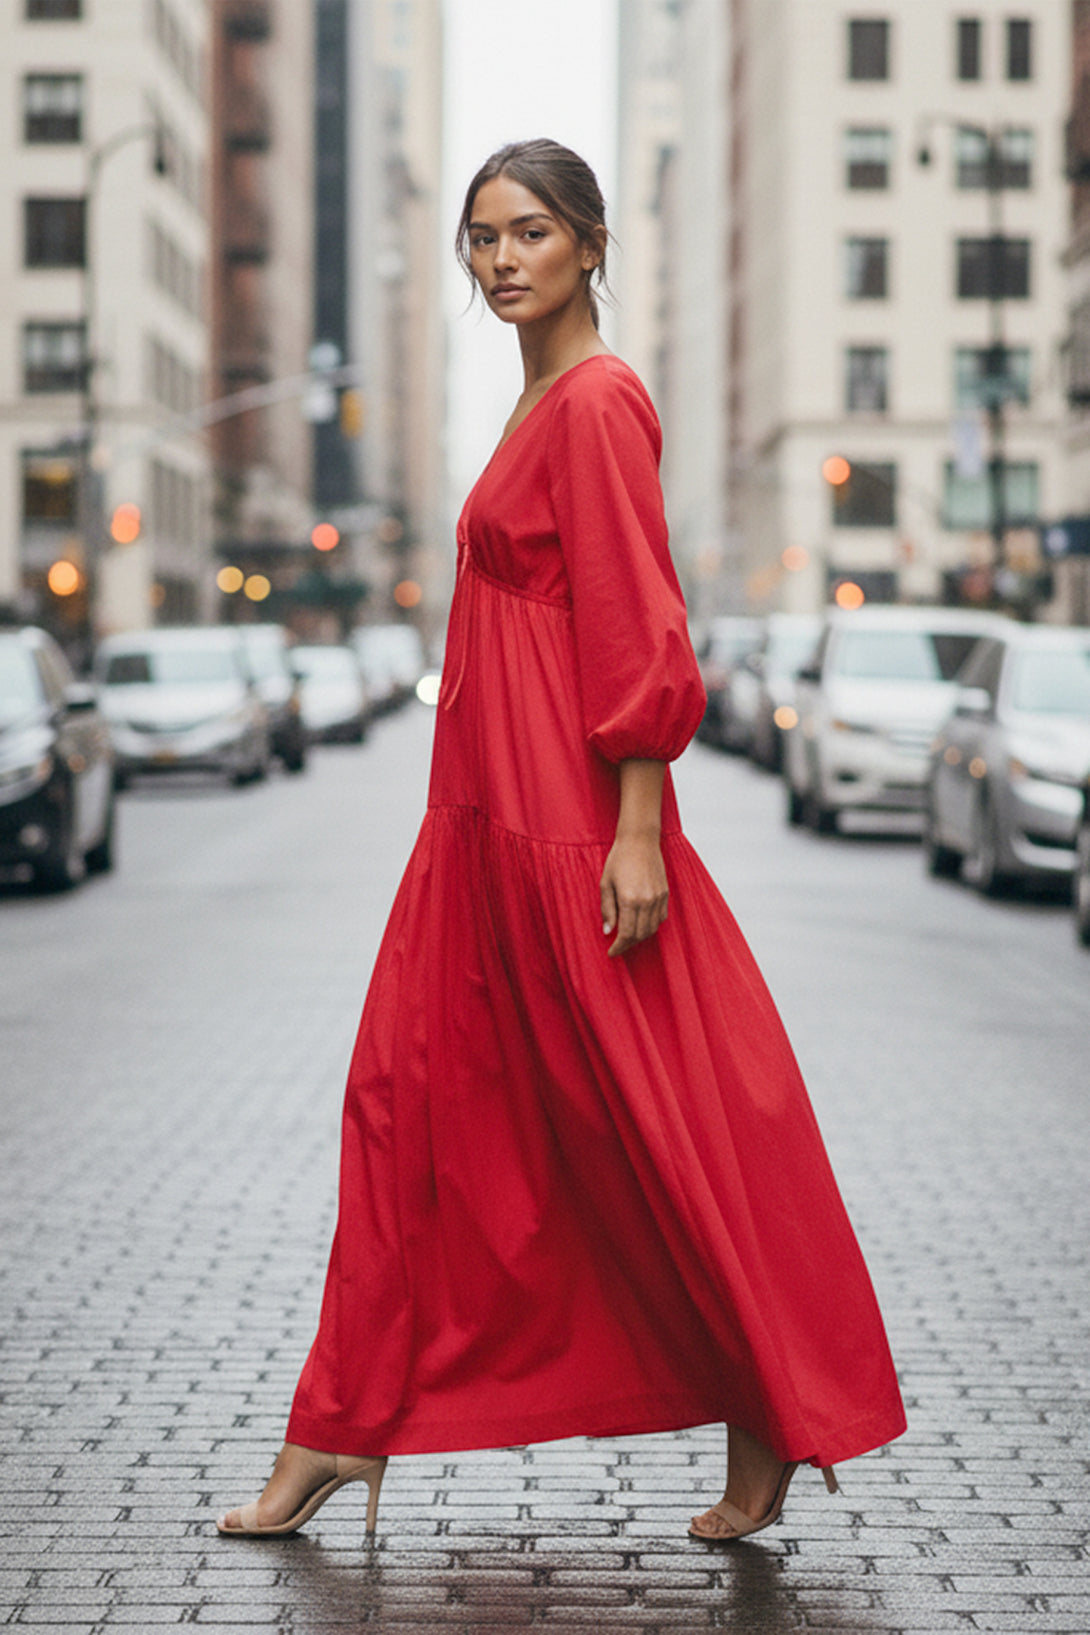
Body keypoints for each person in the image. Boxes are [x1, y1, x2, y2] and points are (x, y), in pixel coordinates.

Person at [217, 139, 906, 1546]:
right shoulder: (538, 397)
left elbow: (634, 626)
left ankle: (775, 1412)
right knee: (410, 1114)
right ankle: (340, 1428)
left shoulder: (595, 403)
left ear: (591, 244)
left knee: (653, 1133)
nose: (498, 259)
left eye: (529, 232)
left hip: (566, 828)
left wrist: (636, 832)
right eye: (480, 238)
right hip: (476, 830)